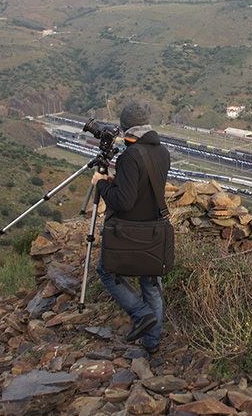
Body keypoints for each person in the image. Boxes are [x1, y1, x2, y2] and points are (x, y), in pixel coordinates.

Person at [91, 101, 171, 353]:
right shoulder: (162, 152)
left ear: (126, 128)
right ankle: (152, 344)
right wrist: (119, 180)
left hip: (131, 231)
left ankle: (140, 313)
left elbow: (123, 202)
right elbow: (144, 188)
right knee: (151, 285)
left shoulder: (130, 157)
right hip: (155, 230)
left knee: (105, 271)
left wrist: (101, 184)